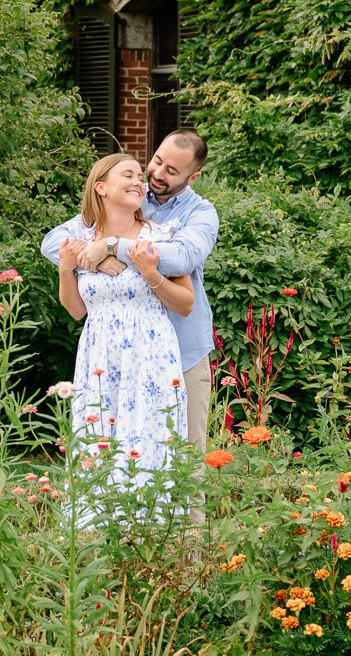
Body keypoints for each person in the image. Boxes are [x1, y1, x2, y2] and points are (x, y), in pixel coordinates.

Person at [42, 130, 219, 507]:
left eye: (171, 170)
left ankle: (187, 557)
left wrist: (111, 248)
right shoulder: (124, 202)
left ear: (192, 177)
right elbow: (52, 243)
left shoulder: (196, 215)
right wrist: (92, 256)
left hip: (178, 353)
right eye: (155, 161)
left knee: (181, 459)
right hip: (107, 357)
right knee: (108, 450)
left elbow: (182, 258)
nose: (154, 175)